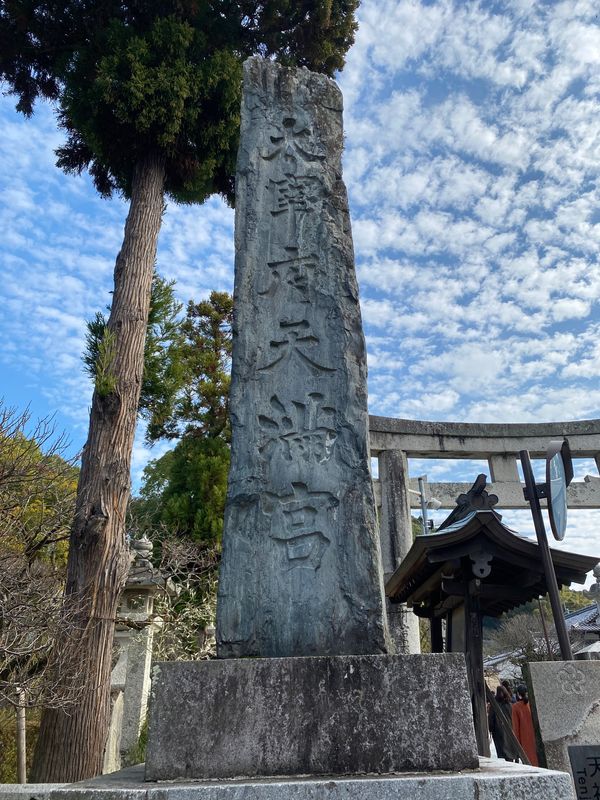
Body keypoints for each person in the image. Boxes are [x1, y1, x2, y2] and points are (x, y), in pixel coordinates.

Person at [512, 684, 539, 766]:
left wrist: (517, 744)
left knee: (529, 762)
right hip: (536, 736)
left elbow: (516, 727)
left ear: (518, 694)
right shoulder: (533, 704)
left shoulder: (515, 707)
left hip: (525, 737)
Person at [488, 685, 517, 761]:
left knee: (502, 747)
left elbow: (491, 717)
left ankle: (508, 758)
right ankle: (512, 757)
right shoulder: (510, 704)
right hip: (509, 728)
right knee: (509, 746)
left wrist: (490, 728)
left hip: (498, 729)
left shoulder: (494, 705)